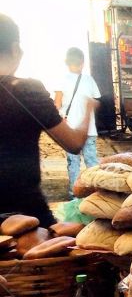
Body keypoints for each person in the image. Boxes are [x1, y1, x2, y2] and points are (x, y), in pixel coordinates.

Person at [0, 15, 94, 226]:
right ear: (15, 49)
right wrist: (89, 110)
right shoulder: (27, 91)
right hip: (25, 210)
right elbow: (74, 143)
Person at [54, 47, 100, 190]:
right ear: (83, 63)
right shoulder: (89, 80)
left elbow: (57, 104)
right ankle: (96, 189)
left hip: (70, 130)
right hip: (89, 130)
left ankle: (74, 192)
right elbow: (96, 100)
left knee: (73, 162)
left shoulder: (61, 80)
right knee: (92, 161)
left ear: (66, 63)